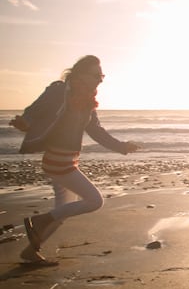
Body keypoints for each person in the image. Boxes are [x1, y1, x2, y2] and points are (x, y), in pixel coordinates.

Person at [13, 55, 140, 264]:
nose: (100, 79)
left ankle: (31, 250)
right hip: (57, 160)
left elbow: (96, 131)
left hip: (68, 160)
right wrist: (24, 122)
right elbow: (34, 111)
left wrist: (121, 147)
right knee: (94, 201)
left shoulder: (88, 99)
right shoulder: (59, 91)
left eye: (102, 75)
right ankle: (41, 220)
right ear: (80, 73)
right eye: (96, 75)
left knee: (62, 211)